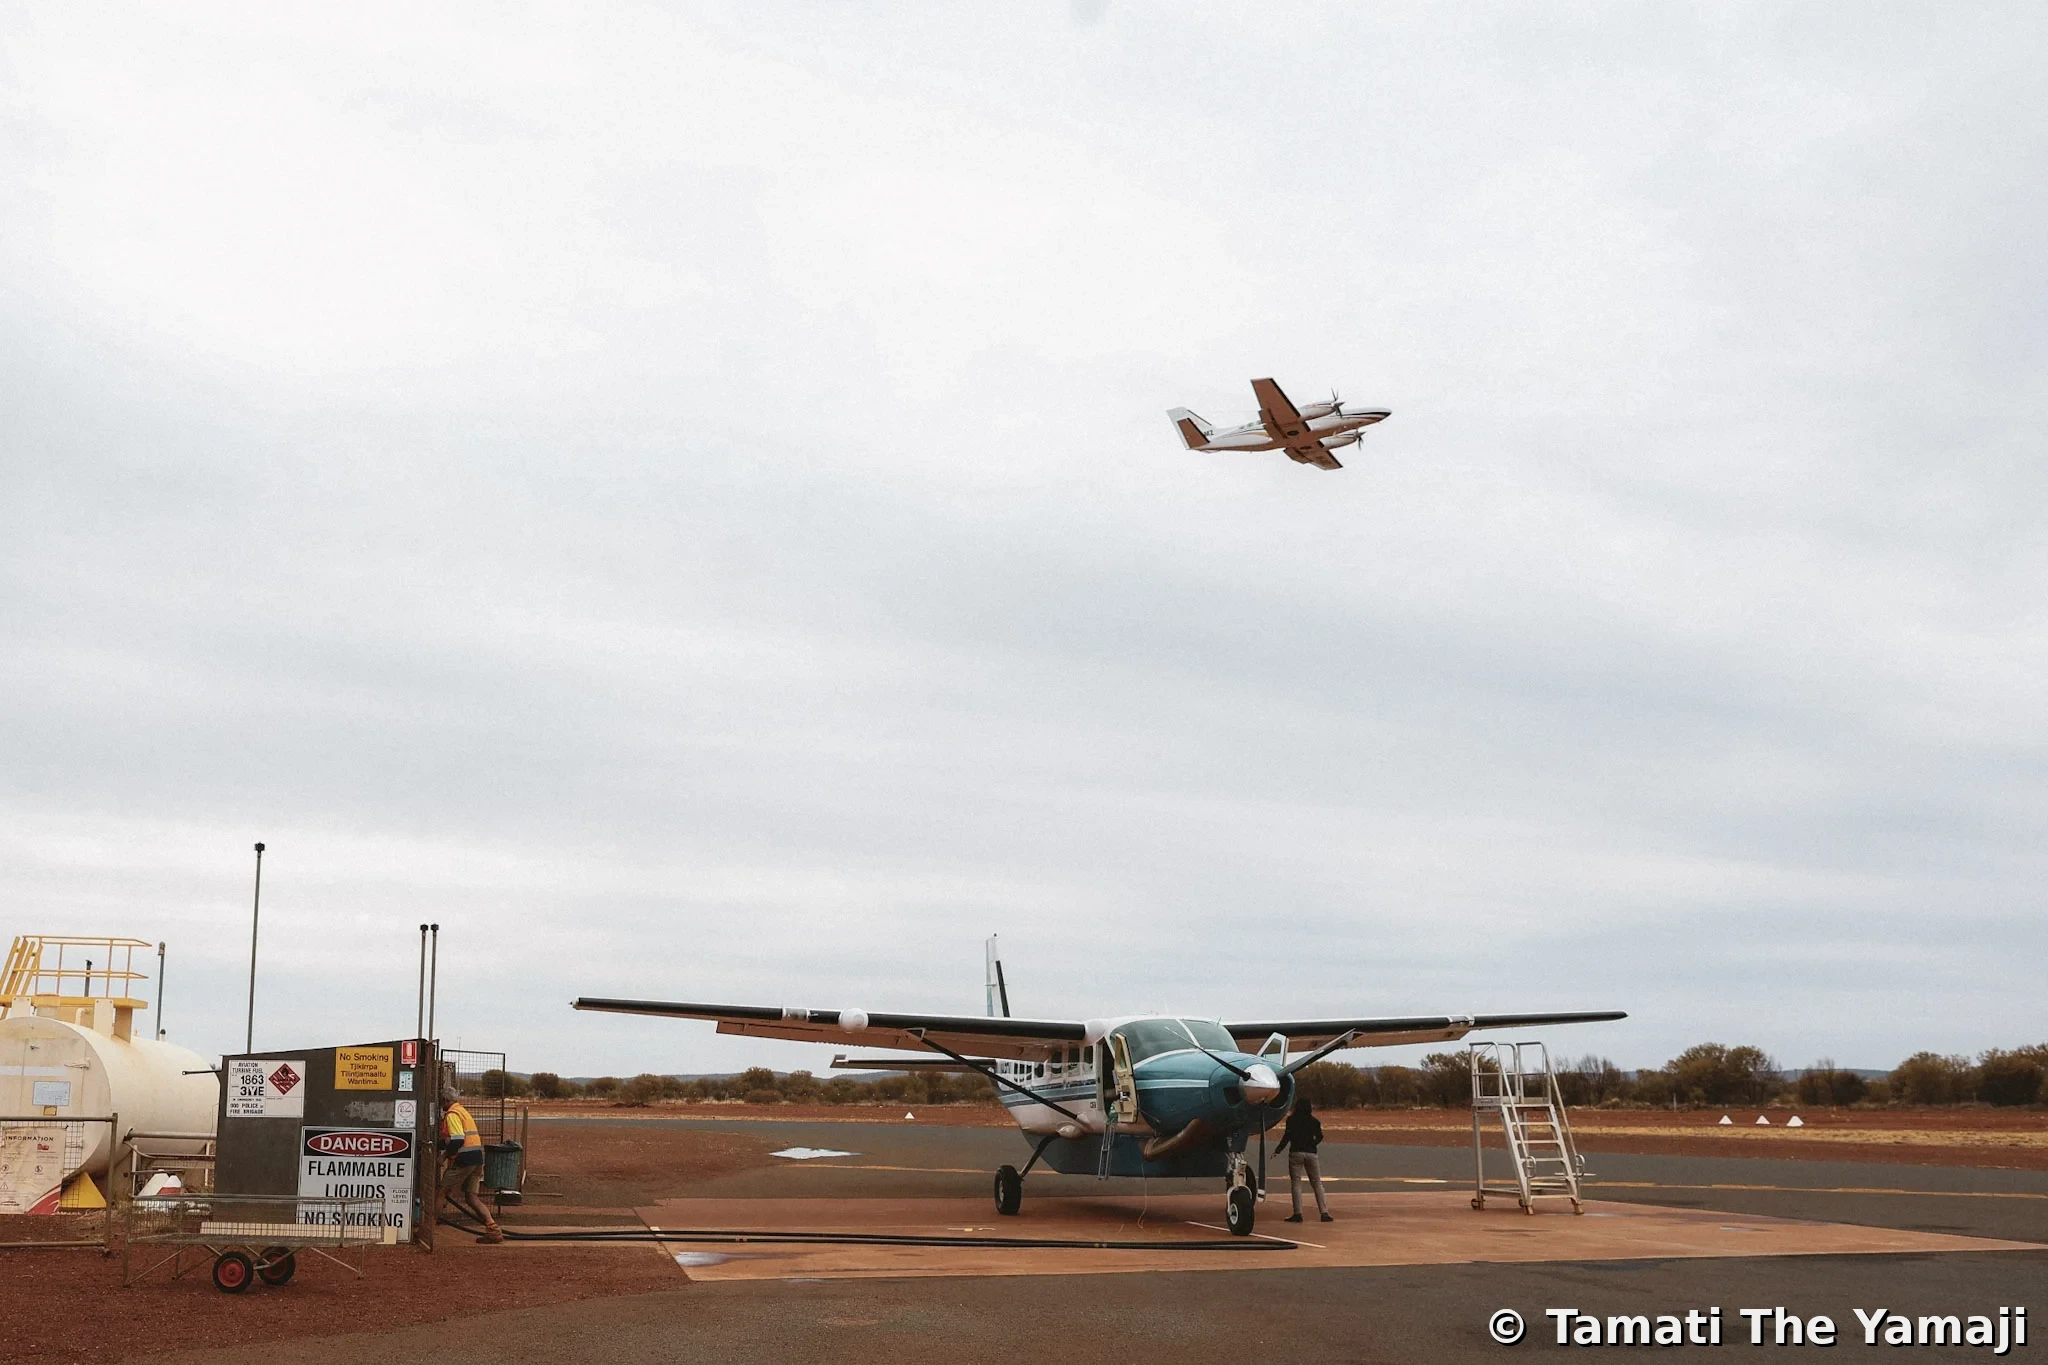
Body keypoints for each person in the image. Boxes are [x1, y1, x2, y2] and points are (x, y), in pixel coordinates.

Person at [438, 1085, 503, 1242]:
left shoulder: (452, 1114)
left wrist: (444, 1156)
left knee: (440, 1192)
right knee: (471, 1197)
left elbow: (458, 1139)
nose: (441, 1104)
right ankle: (493, 1230)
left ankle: (427, 1228)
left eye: (441, 1101)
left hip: (464, 1159)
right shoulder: (463, 1111)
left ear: (446, 1100)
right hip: (477, 1158)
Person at [1273, 1095, 1332, 1223]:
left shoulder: (1292, 1120)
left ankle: (1298, 1213)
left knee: (1296, 1183)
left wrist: (1278, 1150)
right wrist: (1312, 1145)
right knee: (1317, 1183)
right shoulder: (1314, 1122)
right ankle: (1324, 1212)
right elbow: (1320, 1136)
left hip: (1296, 1152)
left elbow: (1287, 1137)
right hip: (1311, 1153)